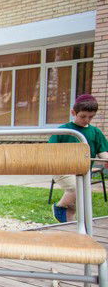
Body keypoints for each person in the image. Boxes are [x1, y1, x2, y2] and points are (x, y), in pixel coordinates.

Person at [50, 93, 108, 223]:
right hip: (62, 169)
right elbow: (50, 151)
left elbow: (103, 152)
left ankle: (69, 225)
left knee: (78, 204)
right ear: (73, 112)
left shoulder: (95, 132)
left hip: (83, 171)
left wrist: (106, 160)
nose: (86, 120)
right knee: (76, 189)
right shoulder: (63, 130)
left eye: (91, 117)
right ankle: (59, 207)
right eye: (83, 116)